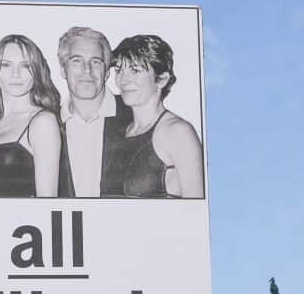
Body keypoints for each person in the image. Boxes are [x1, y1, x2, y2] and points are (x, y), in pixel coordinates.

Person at [101, 35, 205, 199]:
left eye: (134, 70)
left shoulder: (178, 133)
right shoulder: (114, 130)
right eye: (119, 70)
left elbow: (196, 214)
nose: (122, 80)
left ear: (161, 80)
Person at [0, 35, 62, 197]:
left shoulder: (43, 122)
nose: (16, 74)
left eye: (26, 66)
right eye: (6, 65)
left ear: (37, 72)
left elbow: (48, 200)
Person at [55, 27, 133, 197]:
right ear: (63, 70)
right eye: (76, 60)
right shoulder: (48, 126)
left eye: (96, 61)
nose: (87, 70)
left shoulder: (135, 117)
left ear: (106, 73)